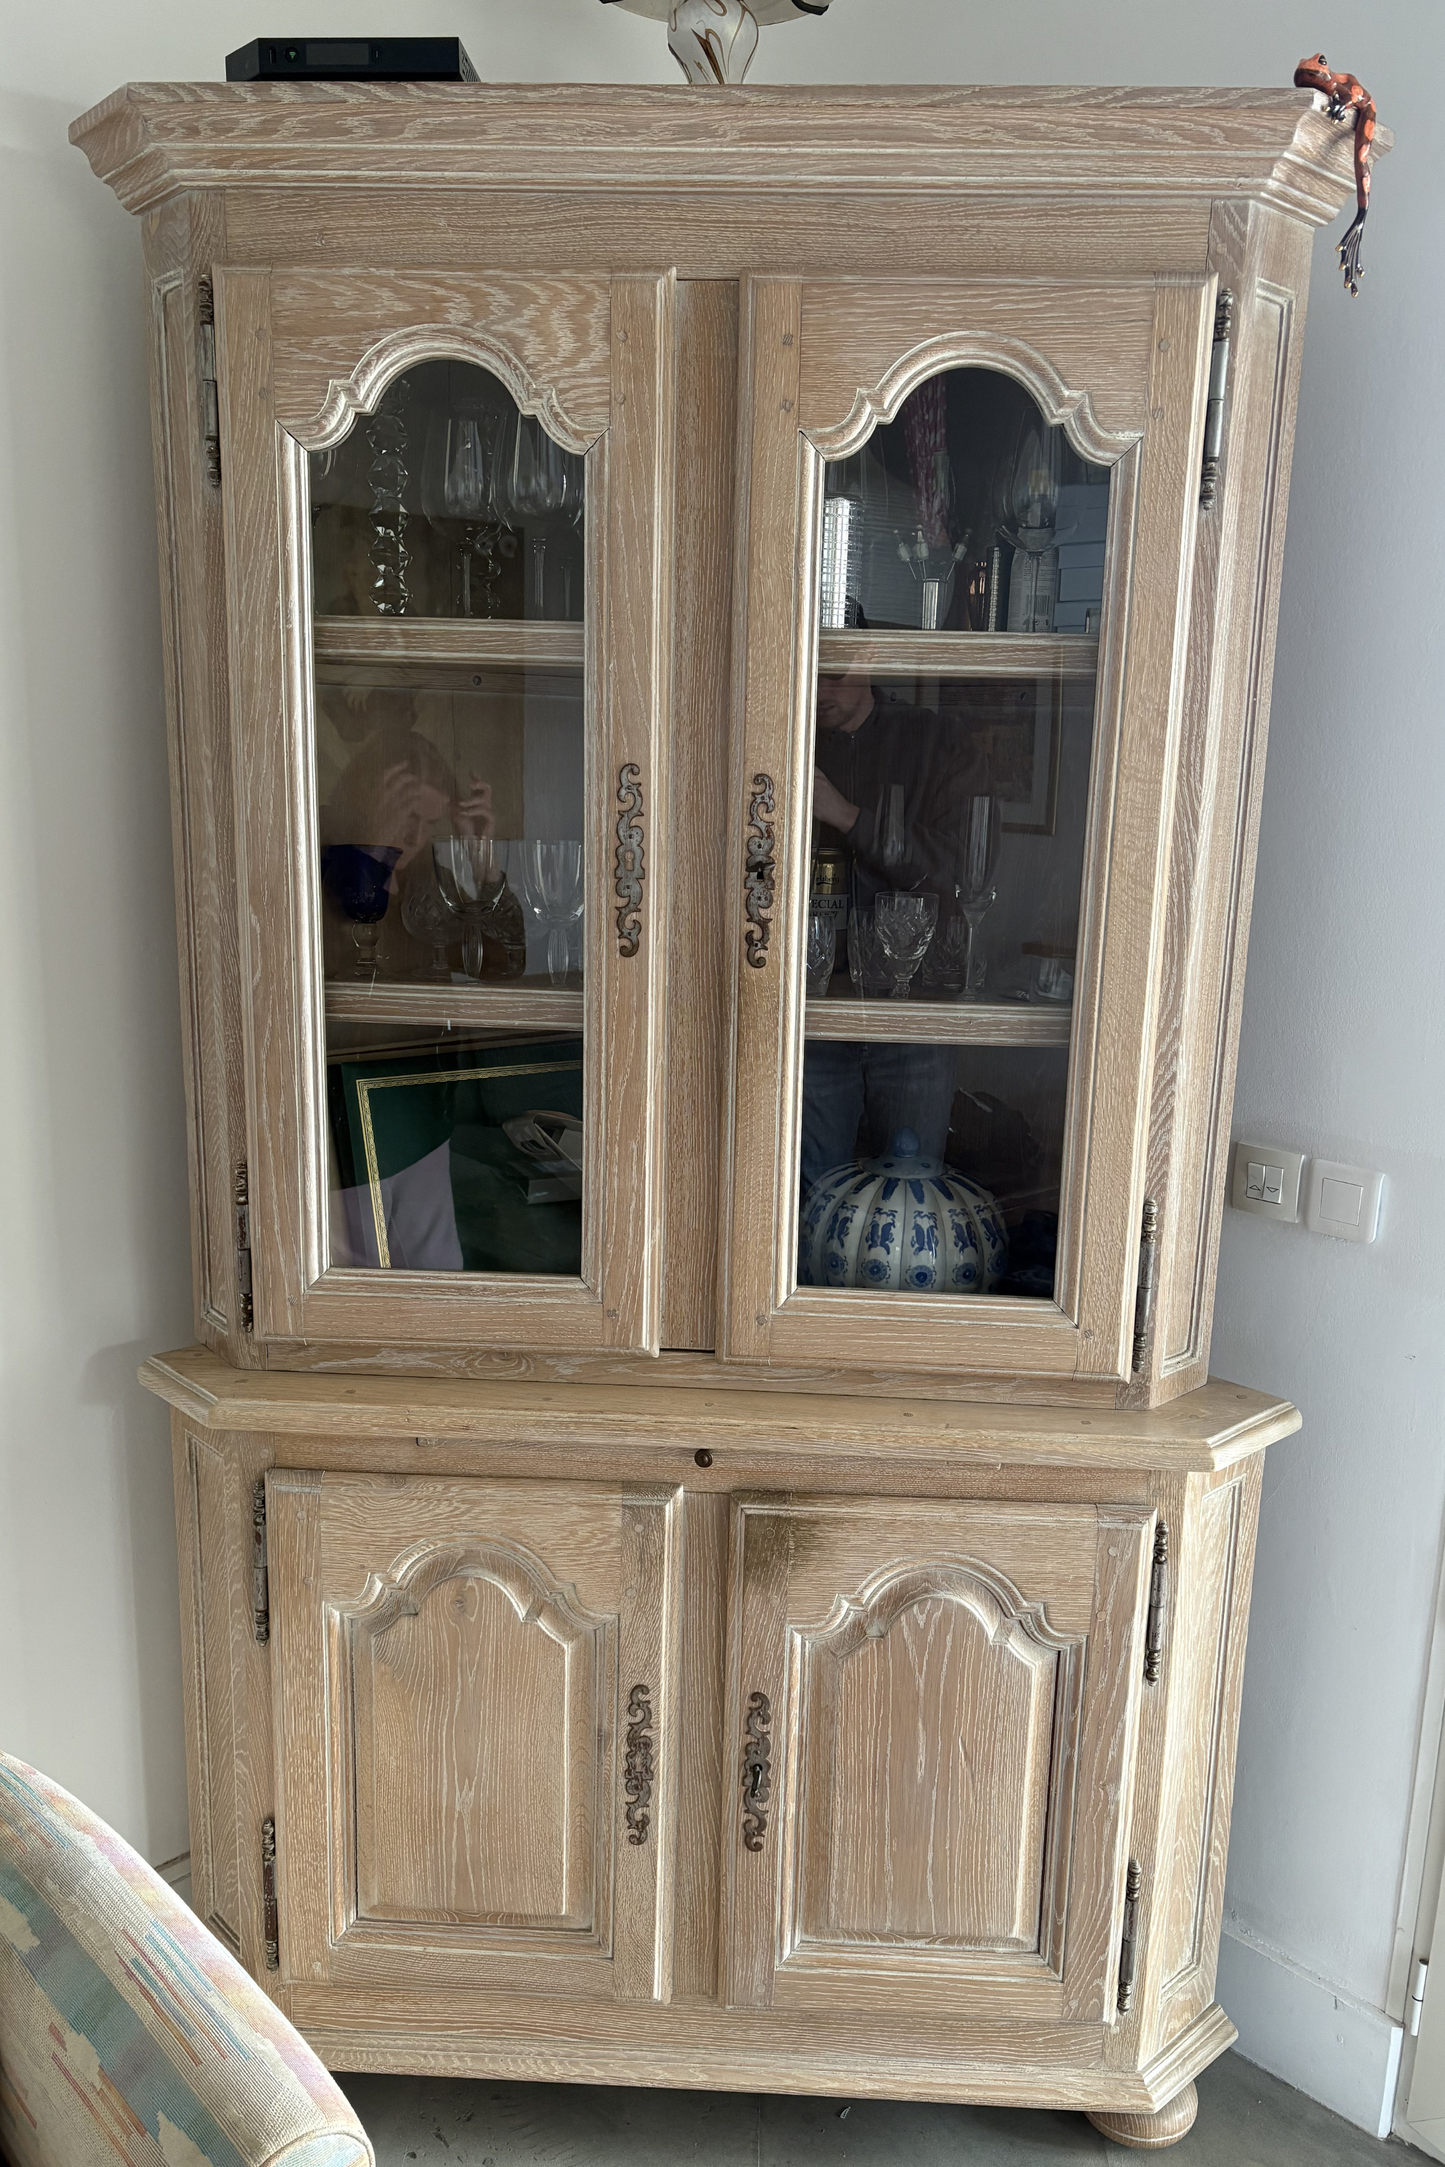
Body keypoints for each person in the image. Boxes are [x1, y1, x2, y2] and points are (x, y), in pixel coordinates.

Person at [802, 652, 975, 1194]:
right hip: (809, 1007)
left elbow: (961, 870)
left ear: (868, 664)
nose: (821, 689)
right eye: (812, 673)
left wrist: (843, 815)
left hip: (914, 1012)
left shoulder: (935, 739)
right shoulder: (783, 728)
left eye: (835, 673)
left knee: (911, 1194)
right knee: (805, 1197)